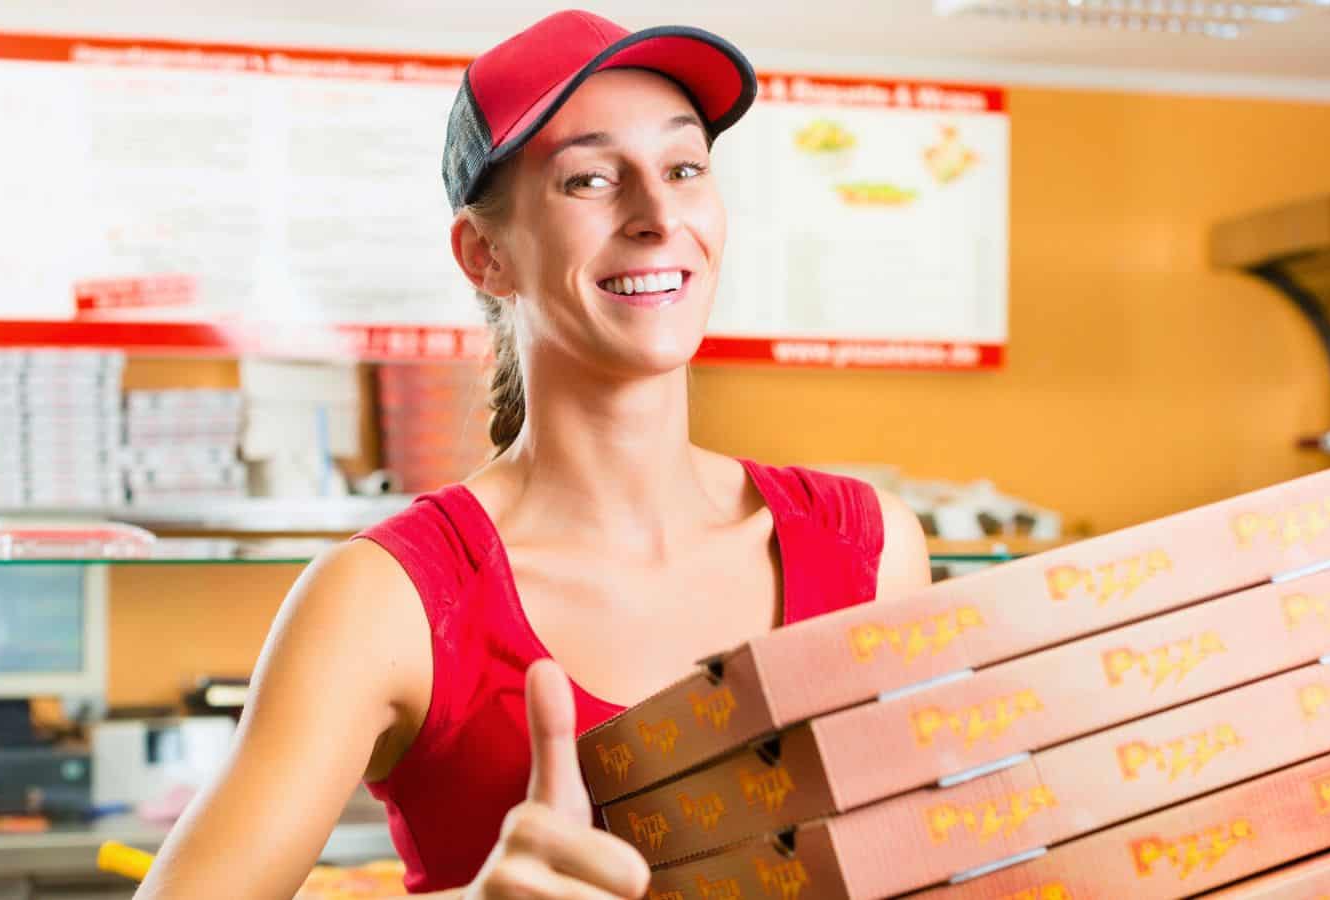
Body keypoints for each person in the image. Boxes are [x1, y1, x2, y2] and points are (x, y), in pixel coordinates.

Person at [137, 10, 929, 899]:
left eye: (684, 168)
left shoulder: (871, 548)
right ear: (486, 256)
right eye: (590, 180)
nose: (659, 215)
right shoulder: (385, 601)